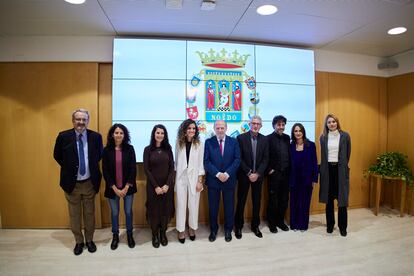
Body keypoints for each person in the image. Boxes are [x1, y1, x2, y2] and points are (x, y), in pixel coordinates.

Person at [53, 108, 103, 255]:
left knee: (89, 214)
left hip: (89, 182)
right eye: (78, 119)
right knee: (74, 215)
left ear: (88, 121)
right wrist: (71, 168)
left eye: (84, 119)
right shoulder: (63, 136)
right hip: (71, 184)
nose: (81, 122)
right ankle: (79, 242)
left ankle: (89, 240)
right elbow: (57, 156)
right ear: (73, 120)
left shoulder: (96, 137)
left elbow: (99, 155)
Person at [204, 120, 240, 242]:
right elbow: (206, 161)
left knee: (229, 207)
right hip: (214, 180)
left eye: (222, 128)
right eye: (218, 128)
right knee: (213, 207)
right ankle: (213, 230)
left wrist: (227, 173)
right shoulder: (208, 142)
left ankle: (228, 230)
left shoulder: (234, 142)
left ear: (226, 128)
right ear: (214, 129)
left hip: (229, 180)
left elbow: (237, 160)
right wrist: (218, 174)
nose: (220, 130)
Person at [102, 123, 137, 250]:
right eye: (116, 132)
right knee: (115, 212)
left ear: (124, 135)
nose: (119, 135)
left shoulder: (130, 149)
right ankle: (115, 235)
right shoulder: (106, 150)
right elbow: (105, 171)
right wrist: (115, 188)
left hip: (128, 188)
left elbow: (133, 169)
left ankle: (129, 234)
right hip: (113, 189)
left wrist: (126, 187)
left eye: (121, 133)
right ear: (112, 134)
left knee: (128, 212)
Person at [235, 115, 269, 239]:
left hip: (258, 177)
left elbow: (266, 159)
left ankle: (255, 226)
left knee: (257, 202)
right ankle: (238, 226)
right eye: (253, 123)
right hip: (245, 176)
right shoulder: (240, 138)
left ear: (261, 126)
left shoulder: (265, 140)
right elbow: (239, 158)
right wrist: (249, 173)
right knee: (241, 201)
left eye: (258, 124)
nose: (255, 125)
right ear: (249, 124)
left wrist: (257, 173)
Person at [319, 114, 351, 237]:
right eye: (329, 122)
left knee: (342, 200)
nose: (331, 124)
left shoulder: (345, 136)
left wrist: (343, 166)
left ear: (337, 123)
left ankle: (343, 227)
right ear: (326, 125)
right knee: (329, 200)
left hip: (340, 171)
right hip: (328, 171)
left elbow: (348, 153)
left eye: (333, 121)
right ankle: (330, 225)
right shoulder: (323, 137)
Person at [143, 124, 175, 248]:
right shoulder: (148, 149)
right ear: (154, 134)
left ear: (165, 135)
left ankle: (163, 233)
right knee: (154, 211)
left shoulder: (168, 149)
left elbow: (172, 168)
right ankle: (155, 234)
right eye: (158, 133)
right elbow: (146, 169)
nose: (160, 135)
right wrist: (156, 186)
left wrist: (167, 185)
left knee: (165, 210)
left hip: (167, 186)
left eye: (162, 133)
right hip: (153, 187)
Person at [175, 119, 205, 243]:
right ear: (184, 130)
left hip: (194, 178)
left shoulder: (199, 144)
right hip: (181, 178)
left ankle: (192, 228)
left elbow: (200, 164)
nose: (191, 130)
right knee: (181, 205)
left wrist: (199, 181)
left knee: (193, 205)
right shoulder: (178, 143)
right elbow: (176, 163)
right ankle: (181, 230)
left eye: (193, 128)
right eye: (189, 128)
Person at [289, 123, 318, 232]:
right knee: (294, 202)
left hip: (307, 179)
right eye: (295, 131)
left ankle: (303, 225)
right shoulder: (291, 145)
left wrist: (314, 179)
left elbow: (314, 163)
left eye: (300, 130)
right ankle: (294, 224)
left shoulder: (311, 145)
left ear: (303, 132)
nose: (298, 133)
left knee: (305, 202)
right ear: (293, 133)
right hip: (293, 178)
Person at [266, 115, 291, 233]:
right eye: (278, 124)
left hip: (286, 174)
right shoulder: (268, 139)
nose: (281, 127)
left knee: (284, 199)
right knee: (273, 200)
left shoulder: (287, 138)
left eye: (283, 125)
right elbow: (264, 156)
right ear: (274, 125)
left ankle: (280, 221)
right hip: (274, 175)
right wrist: (269, 169)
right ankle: (272, 223)